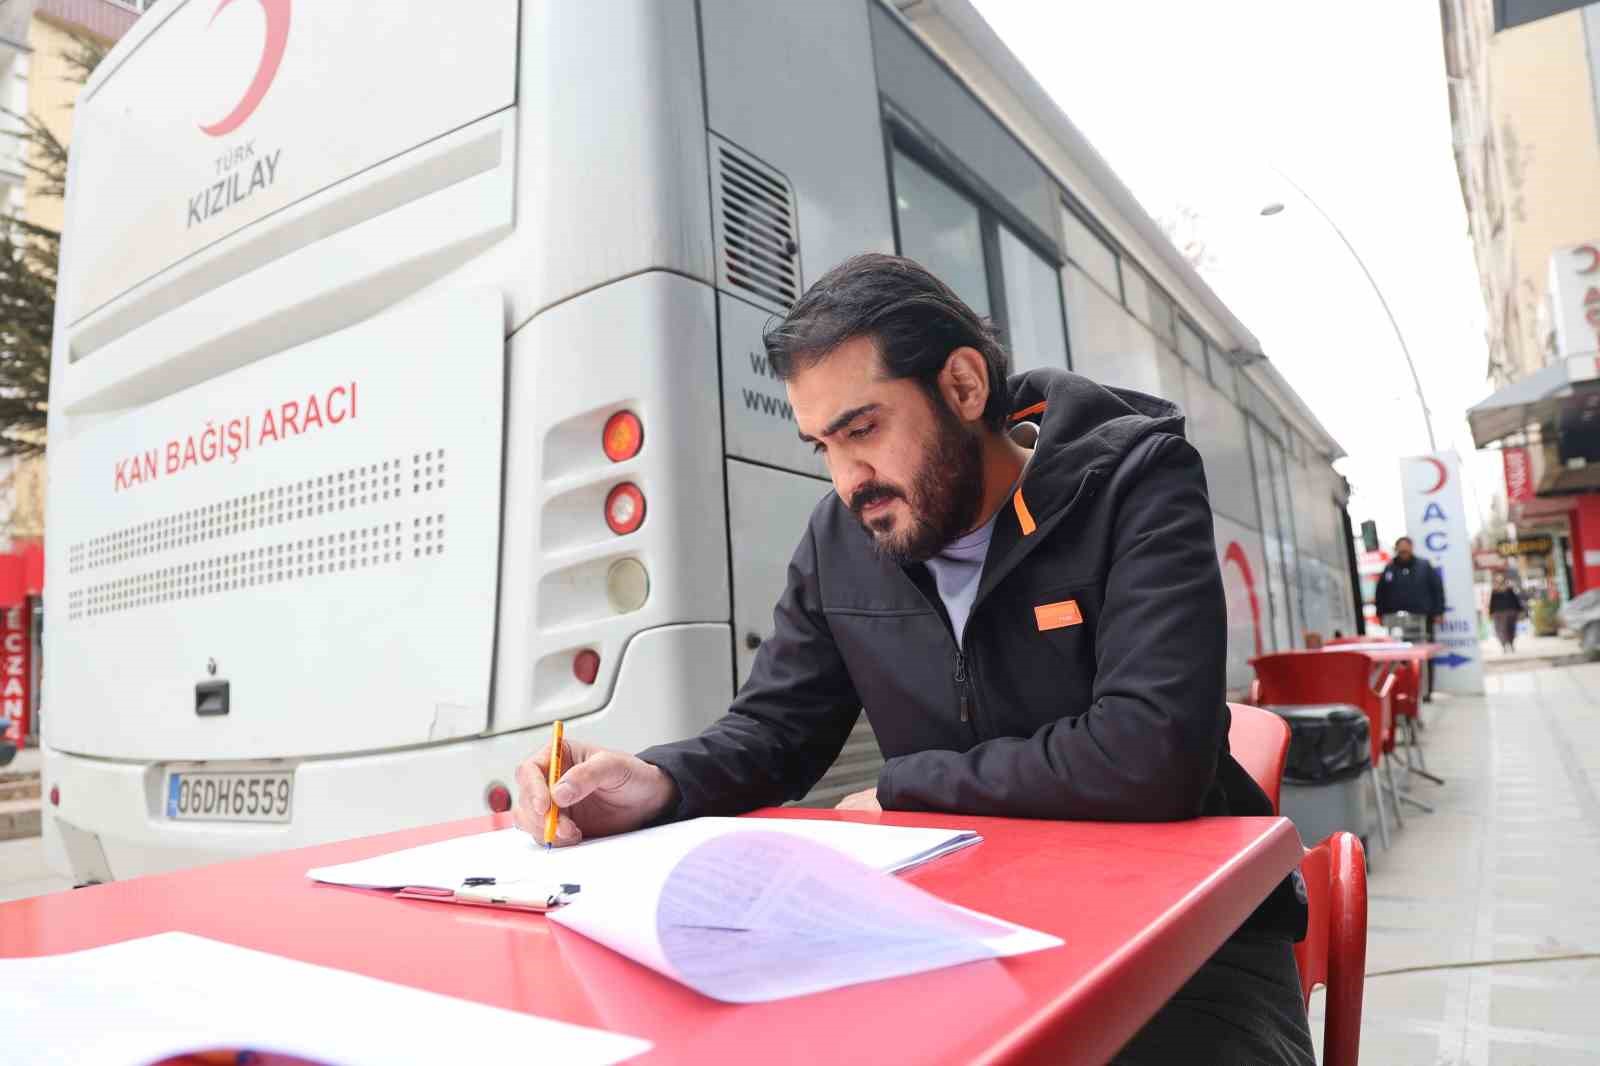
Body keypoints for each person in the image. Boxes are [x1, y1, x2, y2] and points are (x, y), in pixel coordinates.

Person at [513, 254, 1313, 1065]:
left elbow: (1152, 751)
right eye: (822, 444)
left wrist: (904, 787)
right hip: (957, 937)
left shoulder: (1135, 481)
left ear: (964, 387)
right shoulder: (840, 541)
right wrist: (656, 782)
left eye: (863, 430)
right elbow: (773, 730)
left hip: (1189, 954)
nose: (847, 479)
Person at [1374, 536, 1446, 694]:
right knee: (1400, 658)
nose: (1404, 552)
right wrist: (1380, 613)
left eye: (1406, 548)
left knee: (1423, 656)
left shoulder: (1424, 566)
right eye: (1401, 549)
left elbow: (1437, 589)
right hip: (1397, 623)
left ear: (1411, 548)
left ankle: (1426, 690)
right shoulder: (1389, 569)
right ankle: (1404, 690)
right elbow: (1380, 593)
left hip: (1422, 619)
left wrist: (1439, 611)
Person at [1488, 572, 1524, 653]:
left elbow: (1515, 600)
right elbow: (1492, 603)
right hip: (1499, 614)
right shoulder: (1494, 590)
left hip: (1510, 612)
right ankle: (1504, 645)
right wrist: (1490, 613)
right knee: (1500, 630)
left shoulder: (1509, 589)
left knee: (1510, 629)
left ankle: (1511, 644)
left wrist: (1520, 610)